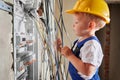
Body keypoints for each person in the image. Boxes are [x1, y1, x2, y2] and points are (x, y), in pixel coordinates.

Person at [56, 0, 110, 80]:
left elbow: (87, 71)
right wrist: (59, 49)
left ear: (90, 25)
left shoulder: (92, 45)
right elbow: (76, 57)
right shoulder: (81, 41)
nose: (73, 24)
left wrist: (70, 55)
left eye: (77, 22)